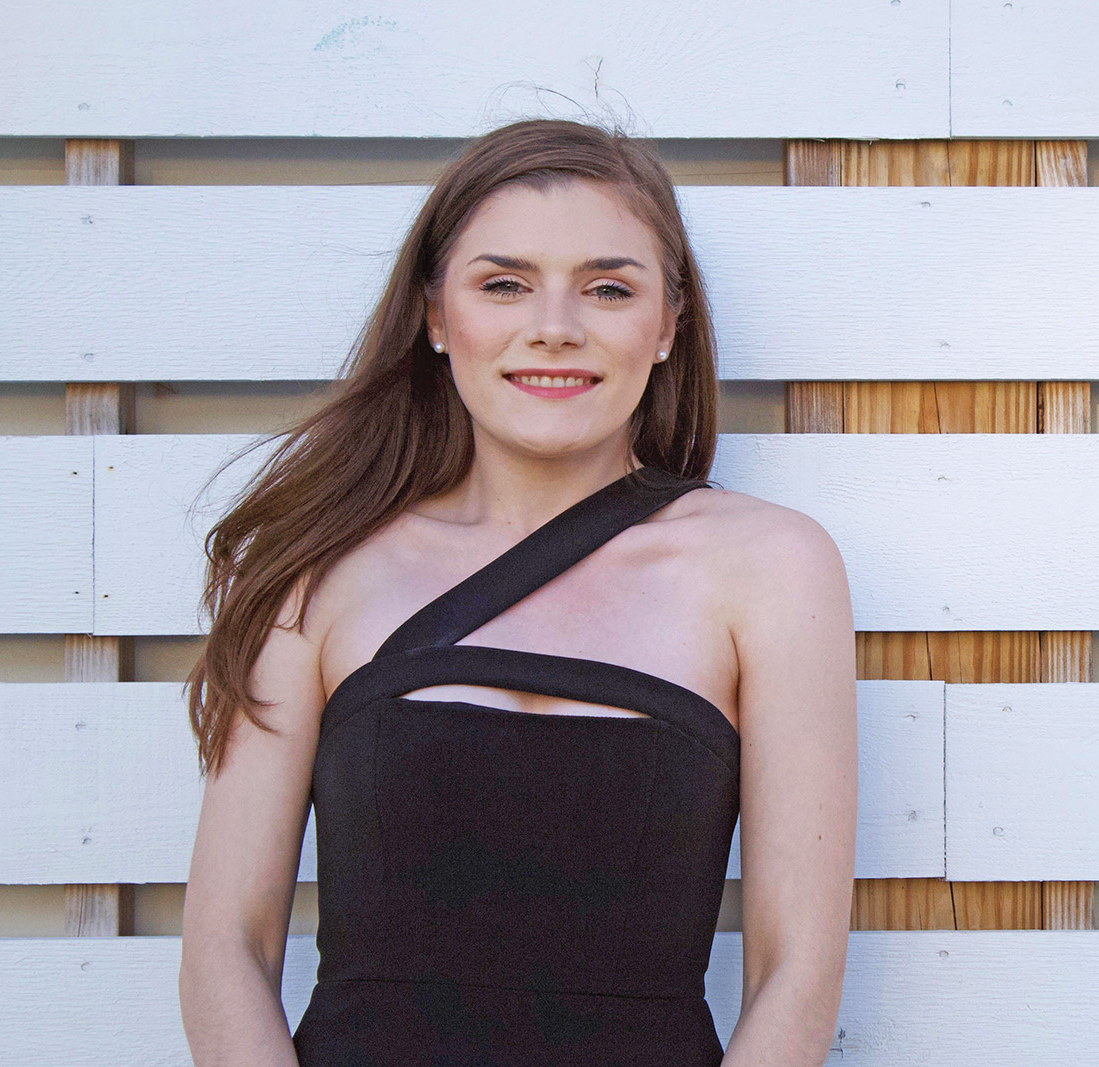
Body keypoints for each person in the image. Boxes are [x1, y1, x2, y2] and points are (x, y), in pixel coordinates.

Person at [177, 117, 857, 1066]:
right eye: (504, 283)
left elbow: (797, 970)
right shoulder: (314, 564)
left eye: (609, 288)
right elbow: (226, 949)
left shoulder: (774, 568)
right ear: (436, 317)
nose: (554, 326)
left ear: (667, 326)